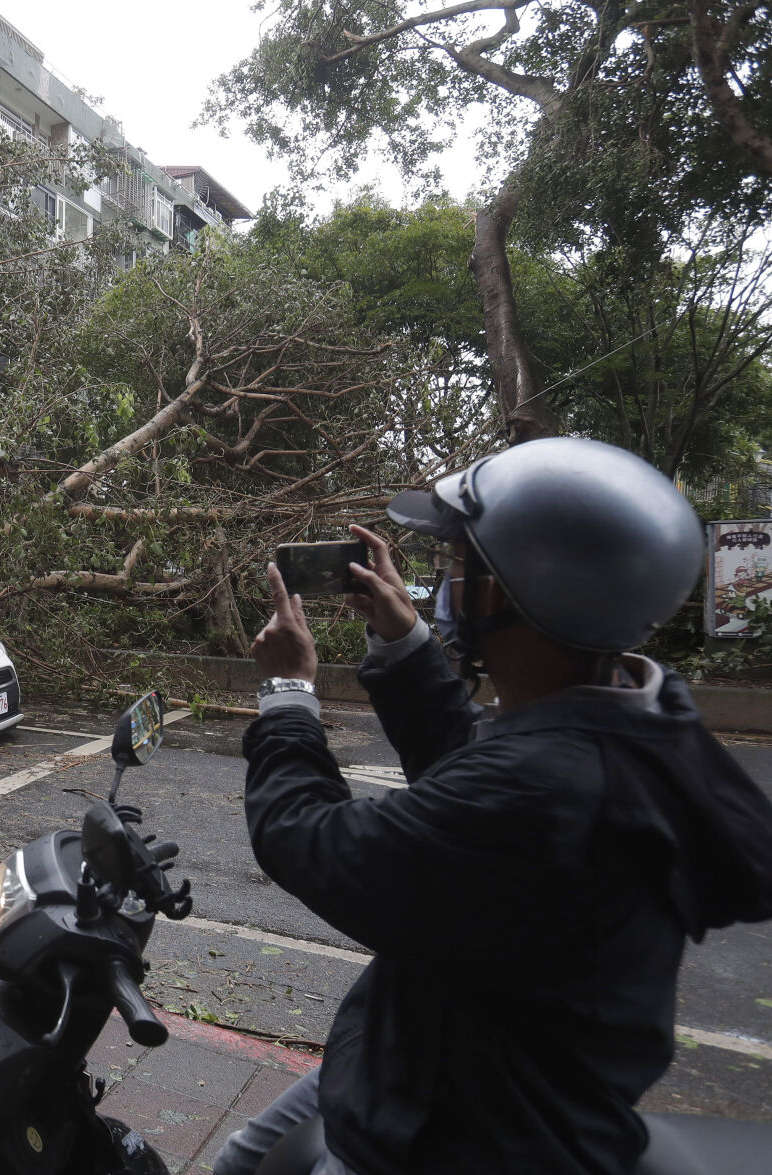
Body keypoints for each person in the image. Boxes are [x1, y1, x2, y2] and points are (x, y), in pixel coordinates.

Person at [220, 437, 772, 1175]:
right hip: (426, 1058)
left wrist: (287, 691)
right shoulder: (631, 715)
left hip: (453, 1127)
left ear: (502, 592)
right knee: (241, 1157)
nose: (446, 583)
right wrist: (403, 638)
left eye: (459, 567)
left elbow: (309, 841)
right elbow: (472, 766)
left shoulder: (551, 784)